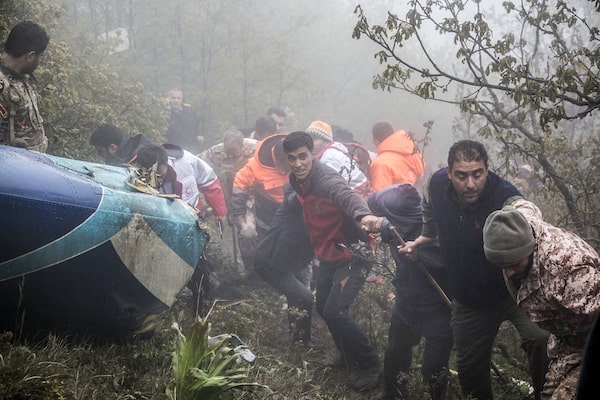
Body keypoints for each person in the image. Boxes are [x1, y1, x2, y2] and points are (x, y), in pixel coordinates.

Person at [400, 140, 550, 400]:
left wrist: (532, 223)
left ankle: (546, 395)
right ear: (449, 173)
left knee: (541, 341)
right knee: (470, 372)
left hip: (516, 292)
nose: (471, 184)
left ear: (487, 170)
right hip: (469, 300)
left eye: (477, 174)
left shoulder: (503, 195)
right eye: (461, 176)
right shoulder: (436, 185)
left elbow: (526, 213)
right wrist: (425, 236)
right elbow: (428, 205)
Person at [283, 131, 382, 392]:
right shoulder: (297, 182)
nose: (298, 164)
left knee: (336, 311)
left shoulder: (326, 180)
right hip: (329, 255)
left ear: (312, 154)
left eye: (302, 156)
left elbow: (347, 196)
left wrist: (364, 215)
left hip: (354, 255)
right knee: (323, 306)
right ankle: (346, 355)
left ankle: (371, 365)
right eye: (292, 158)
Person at [483, 200, 600, 400]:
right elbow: (524, 205)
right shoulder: (520, 224)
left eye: (514, 264)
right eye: (502, 265)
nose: (509, 273)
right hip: (565, 346)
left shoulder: (568, 270)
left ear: (529, 249)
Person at [368, 184, 452, 400]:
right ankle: (392, 394)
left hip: (439, 308)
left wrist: (421, 256)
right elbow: (373, 204)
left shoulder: (434, 230)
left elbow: (448, 262)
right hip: (407, 302)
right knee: (395, 352)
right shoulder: (395, 227)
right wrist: (379, 222)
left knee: (434, 368)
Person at [253, 186, 314, 346]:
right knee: (304, 297)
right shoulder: (293, 203)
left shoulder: (315, 211)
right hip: (269, 262)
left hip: (288, 261)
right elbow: (292, 195)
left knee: (297, 296)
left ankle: (297, 339)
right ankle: (302, 343)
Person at [229, 133, 289, 274]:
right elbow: (240, 183)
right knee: (248, 234)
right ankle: (253, 271)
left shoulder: (300, 157)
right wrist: (238, 212)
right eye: (281, 166)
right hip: (258, 204)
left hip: (290, 207)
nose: (284, 170)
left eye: (287, 166)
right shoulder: (257, 164)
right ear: (276, 158)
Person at [0, 21, 50, 152]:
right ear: (30, 56)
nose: (40, 61)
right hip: (11, 162)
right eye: (40, 56)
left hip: (32, 161)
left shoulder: (21, 76)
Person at [305, 120, 369, 194]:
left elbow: (326, 186)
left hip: (359, 194)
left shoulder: (330, 157)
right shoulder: (331, 151)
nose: (310, 142)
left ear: (326, 142)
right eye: (308, 139)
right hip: (355, 191)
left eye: (314, 139)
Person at [199, 128, 258, 200]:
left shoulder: (256, 148)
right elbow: (197, 162)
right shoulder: (217, 151)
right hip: (229, 185)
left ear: (242, 145)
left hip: (251, 184)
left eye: (233, 152)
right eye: (227, 152)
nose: (230, 155)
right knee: (223, 176)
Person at [370, 122, 425, 191]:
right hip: (422, 193)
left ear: (376, 141)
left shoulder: (380, 164)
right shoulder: (411, 148)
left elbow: (381, 194)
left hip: (405, 197)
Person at [165, 88, 204, 154]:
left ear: (182, 100)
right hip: (174, 150)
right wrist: (167, 109)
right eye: (173, 98)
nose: (176, 100)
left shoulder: (189, 111)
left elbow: (198, 122)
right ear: (168, 99)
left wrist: (199, 134)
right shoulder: (165, 113)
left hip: (191, 148)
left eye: (178, 98)